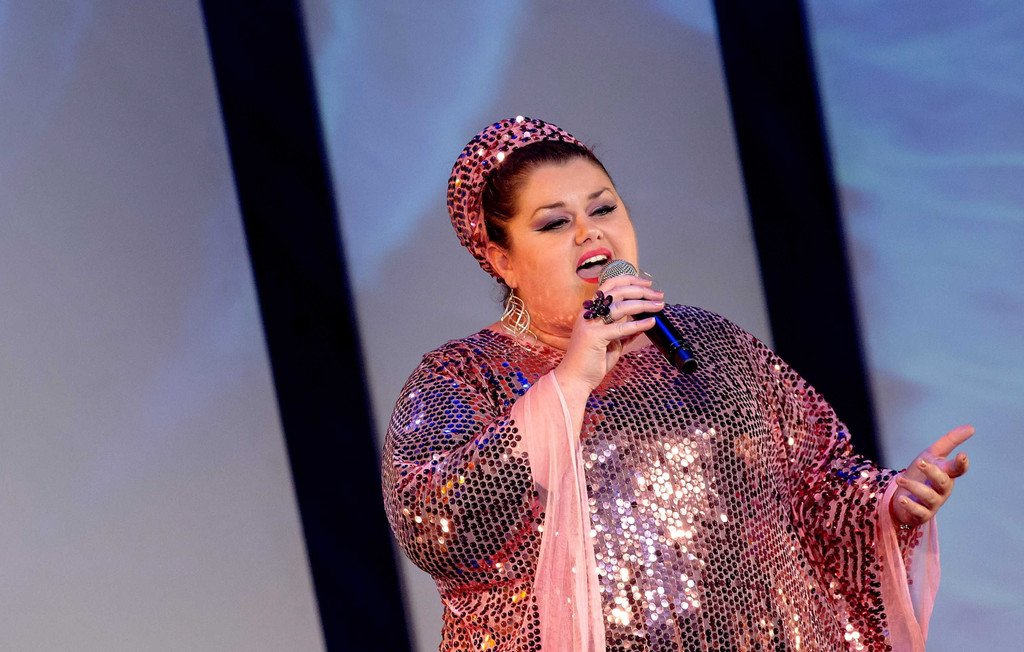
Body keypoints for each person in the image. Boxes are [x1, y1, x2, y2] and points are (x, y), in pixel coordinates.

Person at [381, 116, 972, 651]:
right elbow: (433, 523)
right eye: (556, 223)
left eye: (603, 210)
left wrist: (890, 502)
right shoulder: (464, 374)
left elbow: (815, 481)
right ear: (501, 259)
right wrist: (570, 381)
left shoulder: (709, 342)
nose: (589, 234)